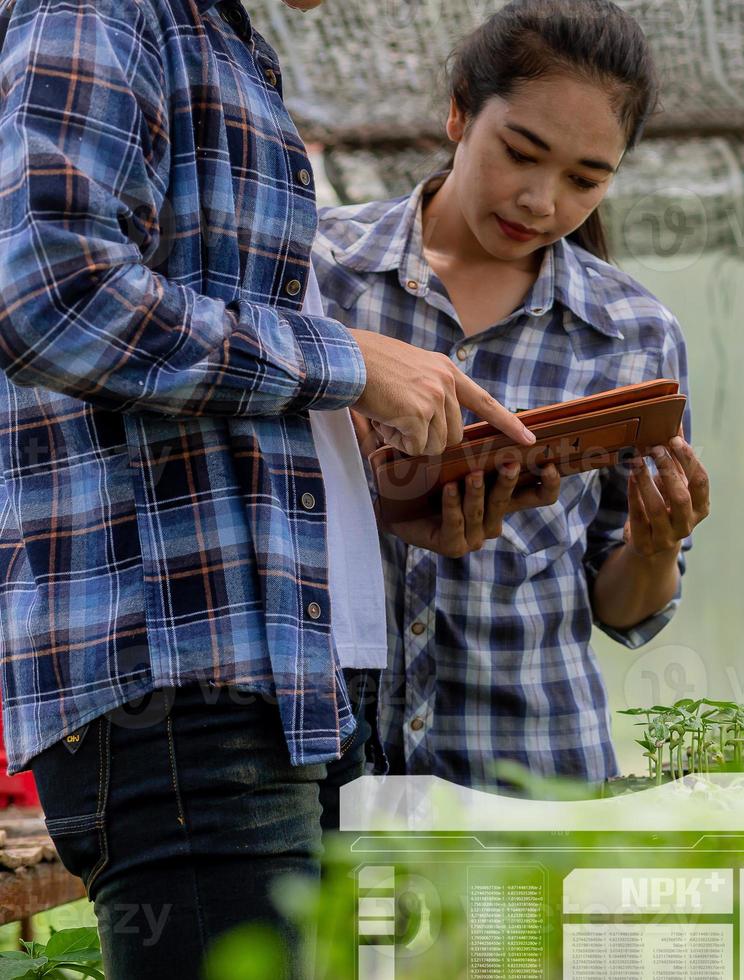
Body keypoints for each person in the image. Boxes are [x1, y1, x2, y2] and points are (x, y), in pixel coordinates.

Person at [0, 1, 533, 976]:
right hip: (188, 682)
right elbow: (51, 293)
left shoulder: (227, 41)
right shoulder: (107, 11)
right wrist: (347, 361)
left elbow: (217, 392)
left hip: (295, 683)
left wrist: (379, 493)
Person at [312, 0, 711, 789]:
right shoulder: (322, 274)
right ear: (460, 110)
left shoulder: (633, 335)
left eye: (584, 179)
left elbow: (623, 607)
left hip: (532, 774)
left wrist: (656, 545)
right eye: (520, 153)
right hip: (327, 765)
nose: (541, 200)